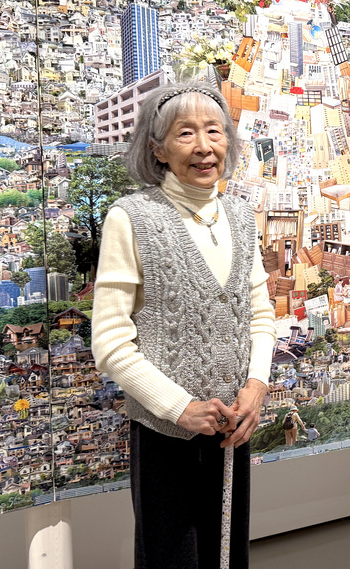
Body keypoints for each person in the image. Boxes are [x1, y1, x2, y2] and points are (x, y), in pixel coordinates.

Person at [91, 81, 276, 569]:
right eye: (185, 133)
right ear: (157, 149)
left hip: (233, 424)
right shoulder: (131, 218)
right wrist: (179, 408)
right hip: (164, 432)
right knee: (171, 556)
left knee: (229, 552)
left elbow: (260, 311)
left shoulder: (238, 213)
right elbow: (110, 342)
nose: (203, 146)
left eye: (214, 131)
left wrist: (256, 386)